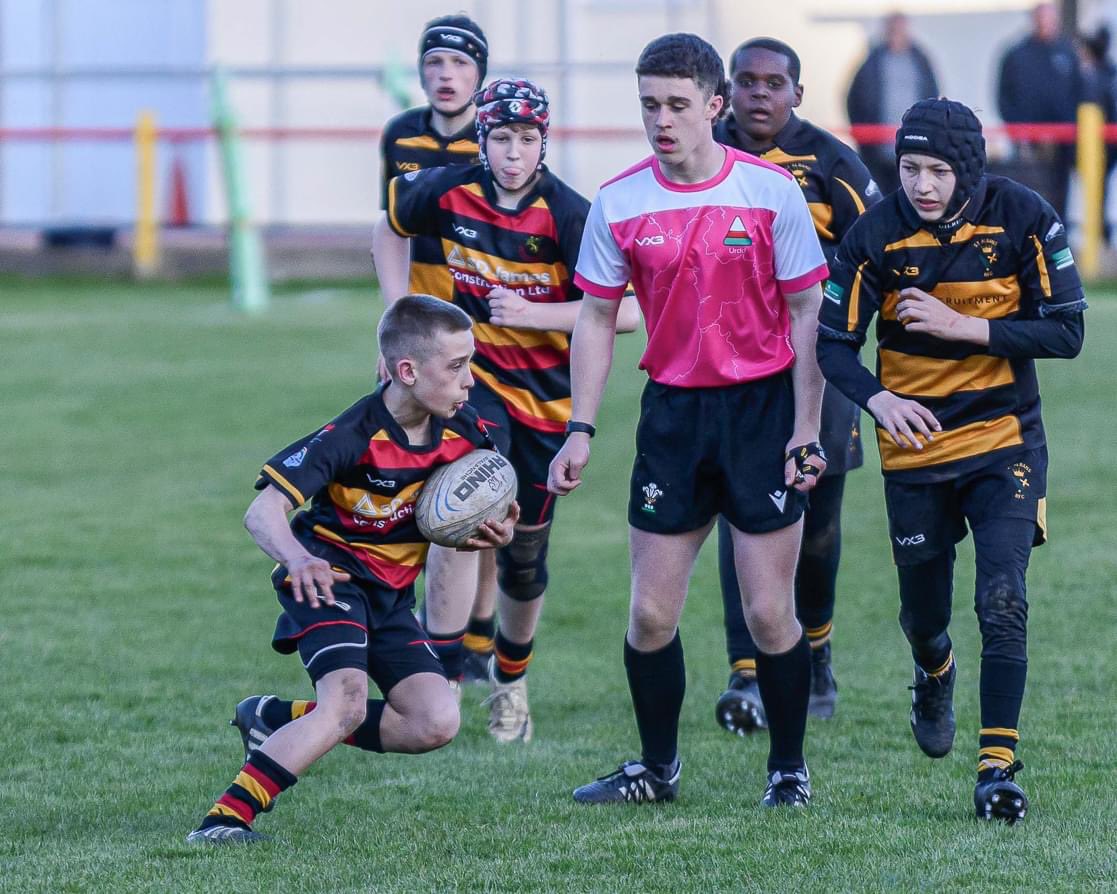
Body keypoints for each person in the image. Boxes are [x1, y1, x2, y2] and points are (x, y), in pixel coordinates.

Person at [549, 33, 829, 807]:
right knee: (647, 613)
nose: (660, 120)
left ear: (714, 105)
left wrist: (806, 426)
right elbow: (598, 320)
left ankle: (787, 770)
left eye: (676, 105)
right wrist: (580, 427)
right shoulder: (619, 201)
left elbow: (808, 311)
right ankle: (657, 768)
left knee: (770, 613)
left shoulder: (770, 193)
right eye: (648, 105)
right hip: (672, 417)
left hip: (761, 412)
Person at [816, 98, 1086, 822]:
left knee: (1002, 598)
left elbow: (1066, 334)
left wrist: (966, 326)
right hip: (913, 446)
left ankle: (996, 766)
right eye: (909, 168)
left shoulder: (1023, 216)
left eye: (938, 169)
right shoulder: (874, 235)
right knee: (922, 616)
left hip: (1002, 439)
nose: (922, 184)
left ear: (967, 169)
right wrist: (878, 401)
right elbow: (831, 346)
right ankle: (932, 669)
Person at [186, 295, 517, 844]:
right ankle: (225, 819)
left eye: (471, 362)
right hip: (328, 581)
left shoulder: (475, 432)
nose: (469, 379)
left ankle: (274, 718)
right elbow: (261, 510)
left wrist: (497, 529)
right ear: (408, 371)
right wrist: (298, 558)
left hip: (389, 597)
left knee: (435, 723)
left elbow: (488, 513)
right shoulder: (352, 434)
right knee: (343, 706)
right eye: (457, 366)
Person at [373, 78, 640, 743]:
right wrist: (393, 312)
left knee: (523, 560)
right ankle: (438, 676)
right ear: (482, 140)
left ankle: (510, 681)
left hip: (546, 406)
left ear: (542, 142)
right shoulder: (443, 188)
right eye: (500, 139)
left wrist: (534, 313)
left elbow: (628, 311)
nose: (513, 153)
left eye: (525, 140)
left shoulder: (571, 215)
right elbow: (388, 226)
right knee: (453, 510)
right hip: (475, 389)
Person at [710, 37, 880, 734]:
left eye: (771, 83)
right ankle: (745, 670)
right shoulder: (705, 151)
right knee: (739, 511)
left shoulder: (831, 162)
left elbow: (875, 249)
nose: (757, 95)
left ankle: (815, 653)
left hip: (817, 357)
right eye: (745, 82)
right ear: (726, 89)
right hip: (726, 365)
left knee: (816, 520)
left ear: (796, 95)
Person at [372, 13, 502, 686]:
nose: (444, 76)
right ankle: (421, 630)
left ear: (479, 72)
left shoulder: (497, 139)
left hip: (478, 337)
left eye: (458, 65)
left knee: (471, 485)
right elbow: (389, 227)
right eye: (433, 65)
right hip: (417, 334)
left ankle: (472, 640)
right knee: (403, 478)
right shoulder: (402, 135)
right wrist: (391, 323)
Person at [996, 2, 1081, 222]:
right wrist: (1018, 132)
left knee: (1059, 196)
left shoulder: (1067, 54)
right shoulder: (1016, 55)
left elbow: (1077, 94)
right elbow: (1004, 96)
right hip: (1027, 144)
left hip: (1062, 143)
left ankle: (1058, 246)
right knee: (1027, 195)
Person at [846, 12, 939, 196]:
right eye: (893, 29)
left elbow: (932, 95)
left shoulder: (920, 61)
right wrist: (862, 132)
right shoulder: (871, 62)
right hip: (876, 147)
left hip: (912, 145)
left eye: (900, 29)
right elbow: (853, 99)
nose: (897, 34)